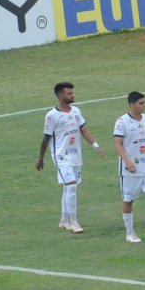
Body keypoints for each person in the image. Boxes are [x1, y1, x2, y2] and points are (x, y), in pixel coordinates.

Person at [36, 81, 107, 233]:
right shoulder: (52, 116)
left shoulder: (76, 111)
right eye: (69, 93)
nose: (72, 95)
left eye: (72, 92)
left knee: (68, 188)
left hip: (76, 156)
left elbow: (84, 130)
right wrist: (40, 158)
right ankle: (74, 222)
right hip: (61, 157)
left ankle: (64, 220)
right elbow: (46, 138)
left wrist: (96, 145)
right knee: (72, 186)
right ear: (60, 95)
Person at [113, 91, 145, 245]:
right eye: (140, 103)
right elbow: (118, 144)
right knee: (129, 200)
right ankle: (130, 233)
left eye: (144, 103)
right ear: (132, 105)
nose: (144, 106)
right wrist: (127, 161)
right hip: (131, 168)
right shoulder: (121, 122)